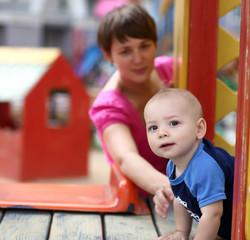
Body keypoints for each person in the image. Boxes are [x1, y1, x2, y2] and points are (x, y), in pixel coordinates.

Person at [88, 3, 174, 210]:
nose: (138, 59)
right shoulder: (109, 107)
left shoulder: (170, 71)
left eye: (144, 46)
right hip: (146, 202)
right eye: (126, 51)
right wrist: (172, 188)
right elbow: (126, 157)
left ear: (155, 43)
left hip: (191, 186)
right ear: (108, 55)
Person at [144, 88, 234, 240]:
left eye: (173, 123)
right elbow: (181, 198)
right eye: (154, 127)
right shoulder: (173, 164)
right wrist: (181, 233)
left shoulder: (205, 167)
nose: (162, 133)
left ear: (199, 129)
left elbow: (212, 214)